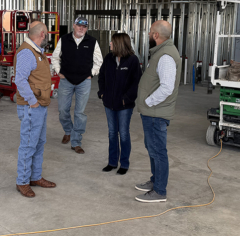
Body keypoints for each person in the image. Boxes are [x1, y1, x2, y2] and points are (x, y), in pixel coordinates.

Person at [135, 20, 182, 203]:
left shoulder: (166, 56)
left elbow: (166, 88)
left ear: (156, 35)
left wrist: (148, 102)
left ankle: (159, 191)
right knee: (152, 148)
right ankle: (155, 181)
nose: (148, 34)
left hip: (156, 113)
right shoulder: (162, 53)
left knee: (158, 151)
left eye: (150, 32)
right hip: (152, 112)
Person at [14, 21, 56, 198]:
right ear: (43, 34)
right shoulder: (26, 52)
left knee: (39, 143)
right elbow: (20, 80)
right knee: (29, 145)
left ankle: (35, 177)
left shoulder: (36, 51)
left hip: (40, 105)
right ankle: (22, 181)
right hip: (32, 107)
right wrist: (33, 102)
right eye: (47, 33)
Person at [51, 17, 103, 154]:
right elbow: (55, 57)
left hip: (83, 82)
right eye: (79, 25)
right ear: (73, 25)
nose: (81, 28)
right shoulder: (64, 39)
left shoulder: (92, 42)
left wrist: (91, 73)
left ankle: (76, 142)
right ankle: (68, 130)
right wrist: (58, 71)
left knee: (80, 113)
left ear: (87, 28)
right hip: (66, 80)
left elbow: (99, 61)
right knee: (63, 110)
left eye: (84, 26)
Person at [98, 33, 142, 175]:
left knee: (123, 134)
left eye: (112, 42)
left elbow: (136, 83)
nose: (110, 44)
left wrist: (127, 98)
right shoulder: (108, 58)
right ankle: (112, 162)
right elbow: (102, 76)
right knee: (112, 133)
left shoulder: (133, 61)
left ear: (119, 44)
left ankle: (124, 163)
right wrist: (102, 93)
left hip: (124, 106)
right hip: (109, 104)